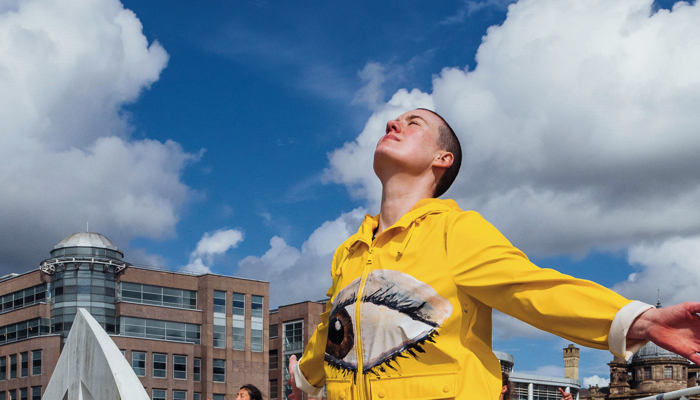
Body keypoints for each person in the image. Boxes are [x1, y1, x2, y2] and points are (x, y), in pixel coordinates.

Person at [288, 108, 700, 400]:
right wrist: (304, 379)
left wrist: (641, 320)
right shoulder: (350, 250)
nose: (393, 122)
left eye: (414, 123)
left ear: (441, 159)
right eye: (394, 119)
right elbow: (332, 331)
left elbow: (533, 289)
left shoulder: (455, 230)